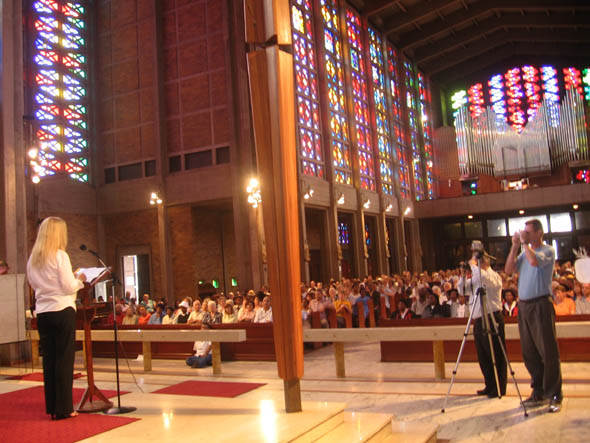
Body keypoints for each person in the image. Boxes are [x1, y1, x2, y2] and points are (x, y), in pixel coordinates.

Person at [27, 217, 86, 420]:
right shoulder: (60, 255)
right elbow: (69, 286)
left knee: (49, 361)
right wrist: (80, 280)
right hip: (62, 310)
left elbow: (34, 285)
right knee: (64, 360)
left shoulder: (33, 258)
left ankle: (52, 406)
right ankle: (64, 408)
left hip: (43, 313)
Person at [505, 219, 562, 412]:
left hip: (540, 304)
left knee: (548, 351)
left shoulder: (547, 251)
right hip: (524, 306)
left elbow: (534, 261)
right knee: (529, 352)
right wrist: (514, 247)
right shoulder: (523, 251)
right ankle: (538, 391)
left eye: (528, 232)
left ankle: (554, 394)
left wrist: (523, 243)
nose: (526, 235)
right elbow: (508, 270)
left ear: (538, 233)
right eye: (525, 233)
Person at [462, 254, 506, 398]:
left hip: (492, 317)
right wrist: (463, 275)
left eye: (479, 262)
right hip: (479, 319)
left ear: (485, 263)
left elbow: (484, 279)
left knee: (496, 354)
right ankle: (489, 384)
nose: (476, 265)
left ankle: (499, 387)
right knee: (483, 356)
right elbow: (463, 289)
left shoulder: (493, 276)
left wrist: (474, 265)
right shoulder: (476, 277)